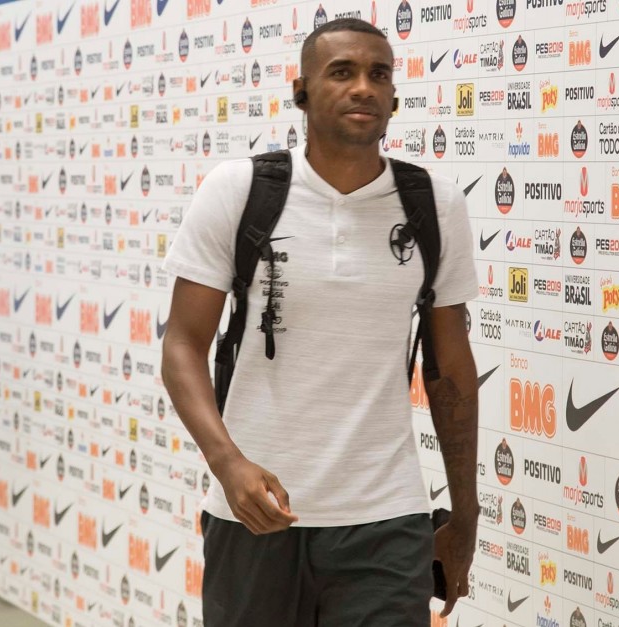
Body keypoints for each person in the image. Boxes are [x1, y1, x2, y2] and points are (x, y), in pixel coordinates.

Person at [160, 18, 479, 627]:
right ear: (301, 90)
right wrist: (228, 464)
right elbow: (182, 344)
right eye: (342, 72)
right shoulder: (239, 189)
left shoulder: (434, 204)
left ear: (394, 96)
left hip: (388, 519)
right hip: (255, 515)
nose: (363, 87)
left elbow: (453, 370)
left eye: (378, 74)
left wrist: (464, 513)